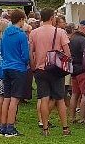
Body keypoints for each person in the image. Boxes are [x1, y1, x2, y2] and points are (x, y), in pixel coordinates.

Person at [29, 8, 71, 136]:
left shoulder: (34, 33)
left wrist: (34, 66)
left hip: (40, 69)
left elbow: (31, 52)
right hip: (55, 69)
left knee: (44, 98)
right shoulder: (60, 32)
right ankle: (65, 128)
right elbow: (67, 52)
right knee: (60, 99)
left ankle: (45, 128)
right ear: (52, 18)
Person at [0, 9, 30, 137]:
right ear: (21, 20)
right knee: (15, 100)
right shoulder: (21, 35)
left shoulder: (4, 34)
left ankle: (2, 126)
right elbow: (25, 55)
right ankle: (10, 127)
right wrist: (25, 62)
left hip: (6, 67)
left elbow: (2, 51)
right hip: (18, 68)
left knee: (6, 98)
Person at [68, 19, 85, 122]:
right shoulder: (83, 40)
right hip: (82, 70)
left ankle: (72, 117)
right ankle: (82, 118)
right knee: (84, 95)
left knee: (74, 94)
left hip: (73, 69)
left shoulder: (72, 38)